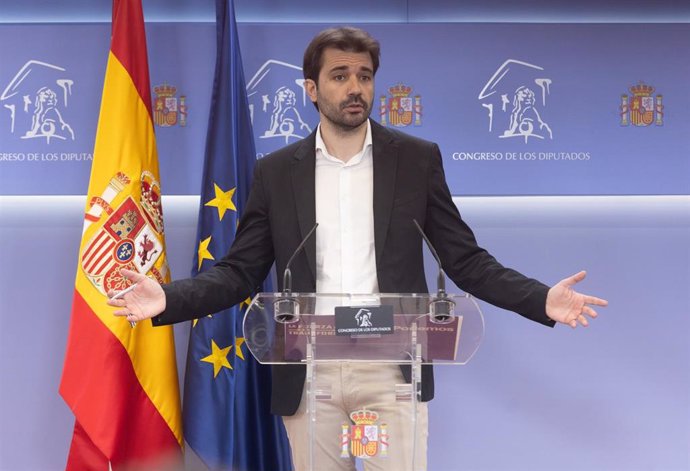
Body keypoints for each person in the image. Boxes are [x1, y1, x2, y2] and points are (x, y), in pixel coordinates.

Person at [108, 26, 607, 471]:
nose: (355, 88)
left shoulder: (415, 161)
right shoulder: (278, 173)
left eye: (364, 76)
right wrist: (168, 299)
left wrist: (540, 299)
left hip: (390, 366)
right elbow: (240, 272)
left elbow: (465, 260)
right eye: (340, 75)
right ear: (311, 89)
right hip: (310, 369)